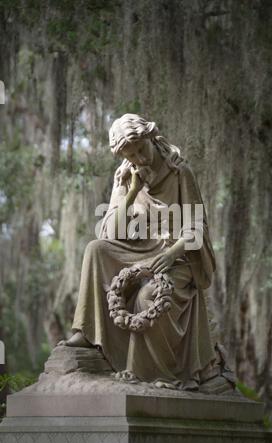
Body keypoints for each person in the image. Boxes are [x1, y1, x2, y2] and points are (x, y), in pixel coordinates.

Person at [59, 113, 226, 391]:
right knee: (96, 249)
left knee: (149, 296)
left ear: (150, 136)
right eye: (131, 154)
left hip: (175, 254)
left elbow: (197, 227)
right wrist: (132, 190)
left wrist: (173, 254)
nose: (139, 157)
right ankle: (86, 331)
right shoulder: (126, 176)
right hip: (139, 247)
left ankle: (153, 373)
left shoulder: (179, 171)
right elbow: (111, 233)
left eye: (140, 148)